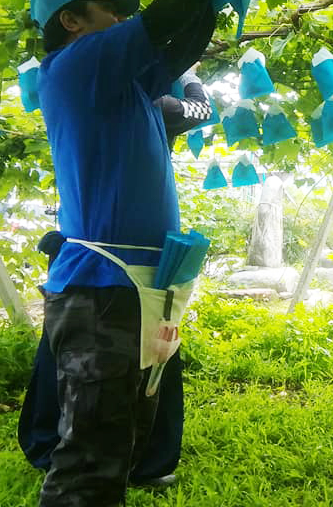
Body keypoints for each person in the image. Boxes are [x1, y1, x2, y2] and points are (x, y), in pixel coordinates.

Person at [30, 0, 217, 507]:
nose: (119, 19)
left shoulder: (124, 85)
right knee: (89, 460)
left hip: (136, 288)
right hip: (102, 290)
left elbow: (178, 50)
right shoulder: (76, 66)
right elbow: (162, 21)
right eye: (109, 10)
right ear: (72, 21)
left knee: (124, 436)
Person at [18, 71, 212, 486]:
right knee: (139, 359)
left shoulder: (90, 97)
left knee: (74, 354)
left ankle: (54, 448)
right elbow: (203, 109)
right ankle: (128, 462)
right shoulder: (144, 105)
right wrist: (191, 77)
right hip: (115, 266)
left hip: (85, 255)